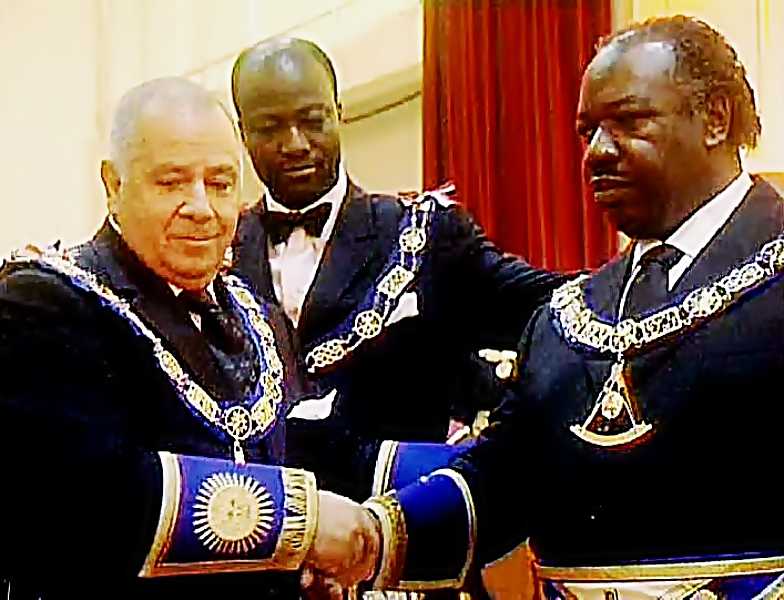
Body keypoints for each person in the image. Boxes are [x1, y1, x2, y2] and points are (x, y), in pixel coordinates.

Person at [314, 15, 784, 599]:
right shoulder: (565, 317)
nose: (597, 152)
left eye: (630, 122)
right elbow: (505, 478)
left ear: (715, 118)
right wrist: (372, 536)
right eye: (588, 132)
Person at [0, 77, 375, 600]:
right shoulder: (41, 302)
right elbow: (86, 494)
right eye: (172, 182)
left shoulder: (260, 317)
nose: (201, 207)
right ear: (114, 184)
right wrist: (302, 525)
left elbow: (310, 452)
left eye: (220, 183)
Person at [230, 37, 569, 502]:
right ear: (243, 133)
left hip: (403, 528)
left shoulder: (425, 233)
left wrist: (649, 271)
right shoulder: (216, 252)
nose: (295, 144)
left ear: (339, 114)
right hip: (261, 529)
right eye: (270, 128)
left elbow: (548, 304)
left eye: (312, 120)